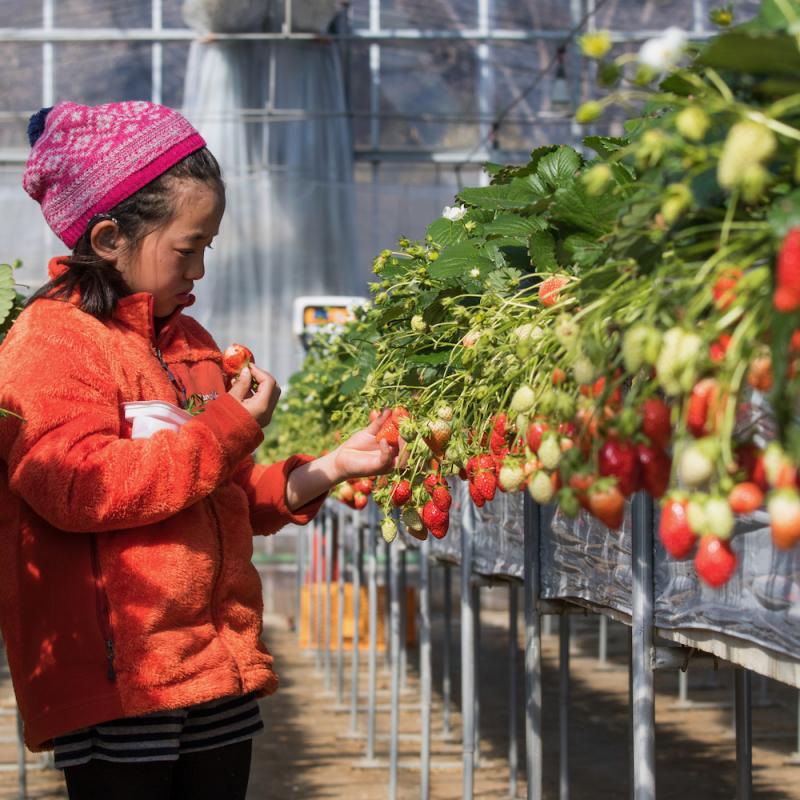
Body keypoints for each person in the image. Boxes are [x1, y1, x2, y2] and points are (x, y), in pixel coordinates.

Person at [0, 100, 398, 800]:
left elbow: (226, 493)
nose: (200, 269)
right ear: (107, 238)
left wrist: (332, 466)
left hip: (217, 662)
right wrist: (227, 429)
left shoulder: (189, 344)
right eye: (187, 248)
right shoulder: (53, 343)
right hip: (124, 676)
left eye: (207, 247)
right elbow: (77, 488)